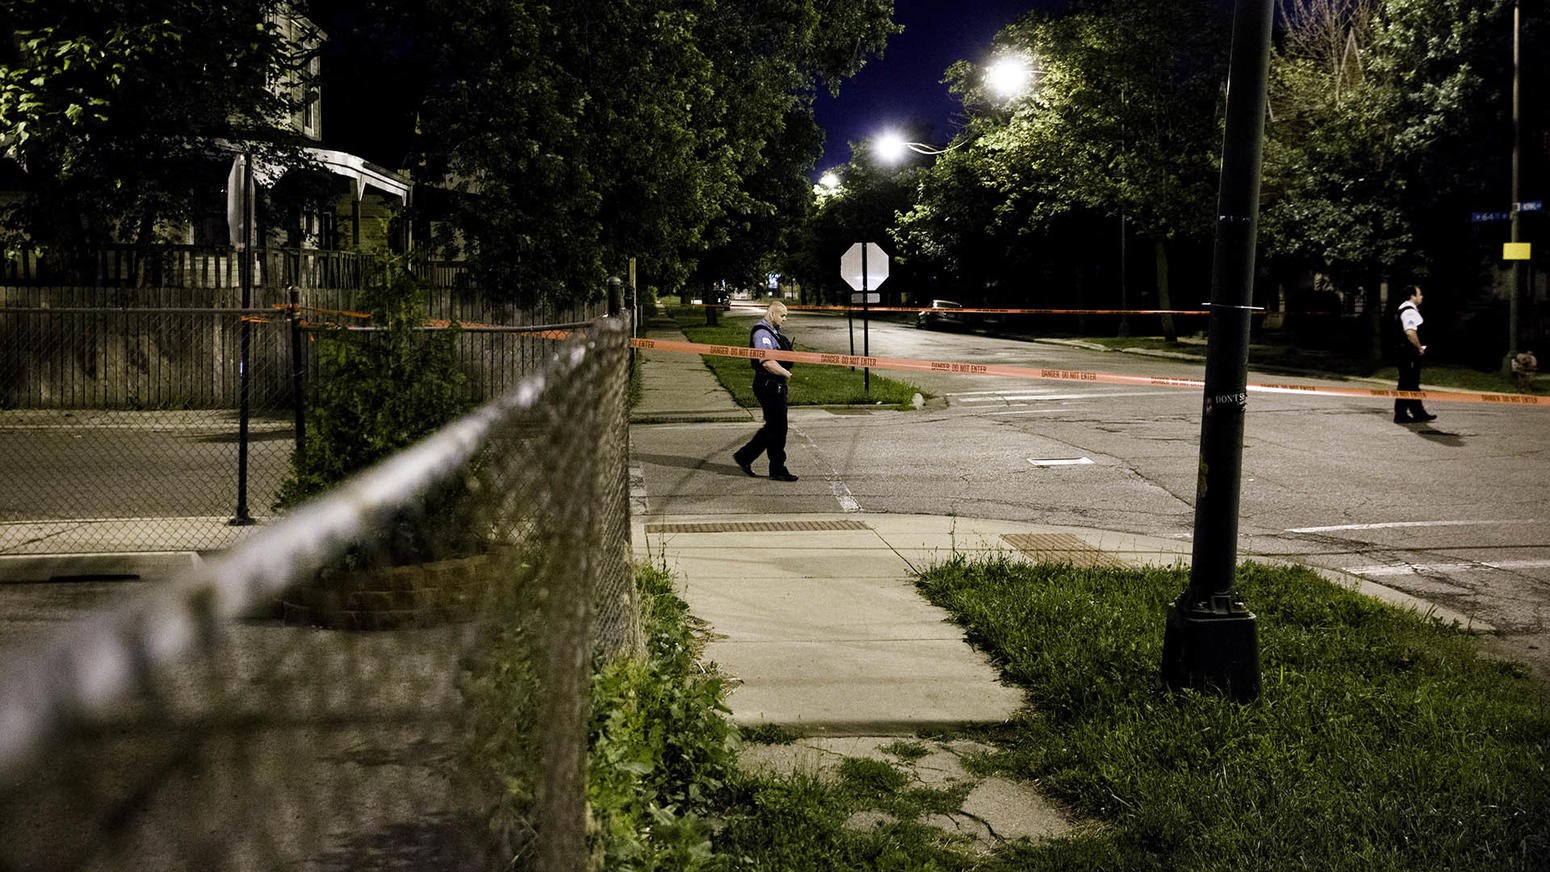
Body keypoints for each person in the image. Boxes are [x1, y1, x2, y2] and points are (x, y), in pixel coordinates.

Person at [733, 301, 799, 481]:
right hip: (768, 385)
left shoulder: (773, 332)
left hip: (774, 385)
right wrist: (786, 373)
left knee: (775, 428)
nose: (785, 319)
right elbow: (767, 362)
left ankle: (746, 457)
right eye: (782, 315)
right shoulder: (762, 333)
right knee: (777, 428)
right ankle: (776, 468)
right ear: (771, 314)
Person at [1394, 284, 1437, 423]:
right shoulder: (1409, 311)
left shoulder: (1405, 308)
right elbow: (1410, 332)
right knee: (1407, 383)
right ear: (1412, 296)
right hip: (1408, 353)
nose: (1422, 296)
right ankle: (1401, 414)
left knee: (1411, 383)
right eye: (1419, 294)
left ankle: (1418, 412)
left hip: (1405, 352)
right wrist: (1419, 347)